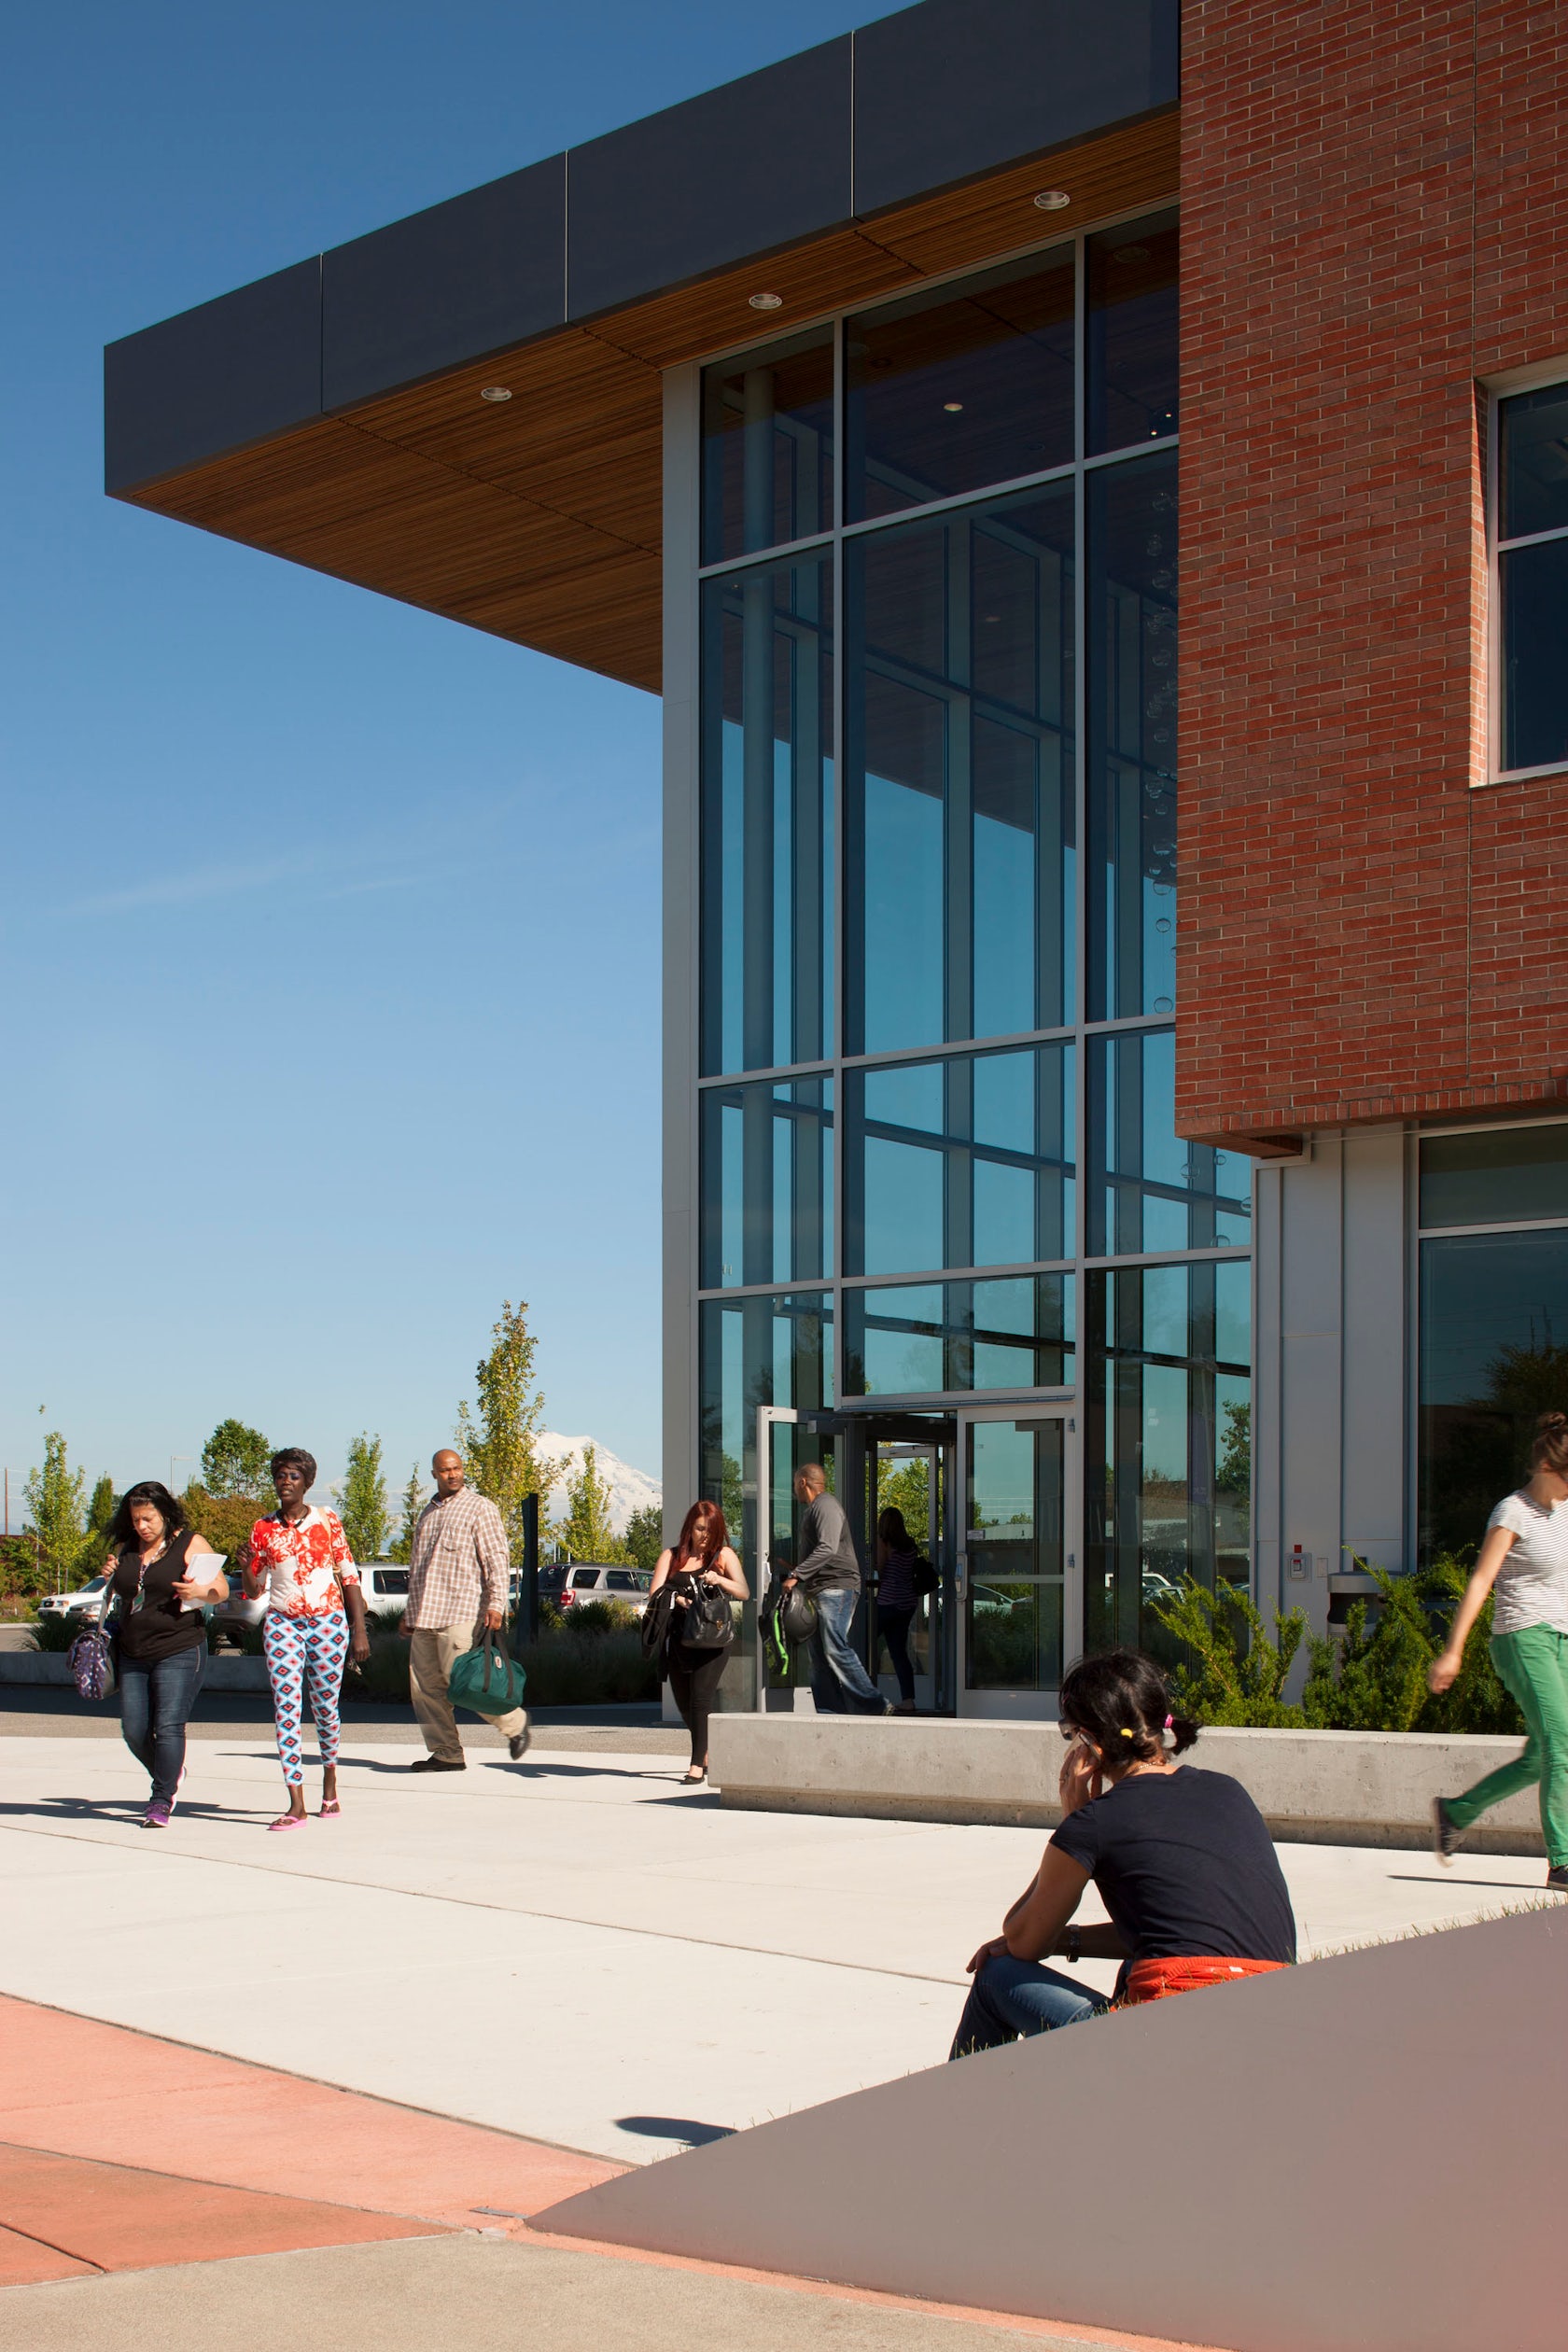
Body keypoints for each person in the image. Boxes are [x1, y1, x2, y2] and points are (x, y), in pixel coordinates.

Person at [949, 1648, 1295, 2059]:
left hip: (1167, 2039)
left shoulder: (1094, 1822)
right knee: (1133, 1968)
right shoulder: (1229, 1791)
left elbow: (1021, 1941)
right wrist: (1067, 1940)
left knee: (997, 1972)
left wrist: (1071, 1823)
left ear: (1089, 1743)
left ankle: (958, 2100)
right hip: (1273, 2020)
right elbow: (1173, 1933)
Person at [1430, 1411, 1568, 1891]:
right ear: (1548, 1468)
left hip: (1562, 1638)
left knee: (1543, 1754)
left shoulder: (1565, 1509)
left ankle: (1456, 1812)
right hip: (1522, 1636)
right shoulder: (1513, 1512)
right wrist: (1453, 1651)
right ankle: (1563, 1862)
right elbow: (1481, 1581)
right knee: (1562, 1744)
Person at [237, 1448, 369, 1830]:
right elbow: (254, 1589)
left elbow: (349, 1575)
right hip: (283, 1623)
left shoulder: (327, 1520)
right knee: (286, 1708)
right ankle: (296, 1803)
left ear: (307, 1482)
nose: (286, 1482)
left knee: (326, 1707)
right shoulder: (262, 1528)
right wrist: (246, 1567)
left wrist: (359, 1629)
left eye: (294, 1476)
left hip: (328, 1622)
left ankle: (330, 1781)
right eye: (280, 1475)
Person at [103, 1480, 228, 1828]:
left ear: (165, 1514)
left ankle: (160, 1800)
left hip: (179, 1648)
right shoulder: (127, 1548)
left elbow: (221, 1590)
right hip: (133, 1651)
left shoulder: (189, 1543)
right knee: (134, 1730)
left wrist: (200, 1590)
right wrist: (111, 1574)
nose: (142, 1526)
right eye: (136, 1520)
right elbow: (127, 1592)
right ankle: (171, 1772)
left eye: (149, 1519)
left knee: (168, 1725)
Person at [399, 1449, 528, 1772]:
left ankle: (515, 1724)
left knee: (465, 1684)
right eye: (445, 1470)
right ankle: (447, 1753)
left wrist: (496, 1603)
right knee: (424, 1691)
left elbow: (496, 1558)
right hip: (425, 1614)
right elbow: (419, 1568)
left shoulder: (479, 1507)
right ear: (435, 1474)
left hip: (462, 1610)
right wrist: (409, 1614)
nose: (453, 1474)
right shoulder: (427, 1513)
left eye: (457, 1468)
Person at [648, 1501, 749, 1784]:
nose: (704, 1535)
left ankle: (696, 1765)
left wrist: (719, 1579)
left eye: (710, 1530)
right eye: (699, 1528)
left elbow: (743, 1591)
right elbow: (654, 1595)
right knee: (684, 1703)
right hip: (679, 1638)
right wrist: (678, 1599)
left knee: (700, 1699)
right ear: (689, 1528)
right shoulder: (671, 1556)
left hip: (713, 1639)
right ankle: (706, 1753)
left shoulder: (723, 1555)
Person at [782, 1464, 890, 1716]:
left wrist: (797, 1575)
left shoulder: (826, 1505)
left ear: (803, 1482)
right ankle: (830, 1712)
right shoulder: (815, 1509)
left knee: (834, 1646)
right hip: (820, 1588)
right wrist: (798, 1568)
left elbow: (828, 1547)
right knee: (818, 1657)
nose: (794, 1489)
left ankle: (876, 1703)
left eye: (795, 1483)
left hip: (837, 1587)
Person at [874, 1505, 921, 1715]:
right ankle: (908, 1700)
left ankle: (864, 1694)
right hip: (907, 1603)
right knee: (899, 1653)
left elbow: (881, 1569)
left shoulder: (884, 1542)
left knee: (863, 1643)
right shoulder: (910, 1545)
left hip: (888, 1601)